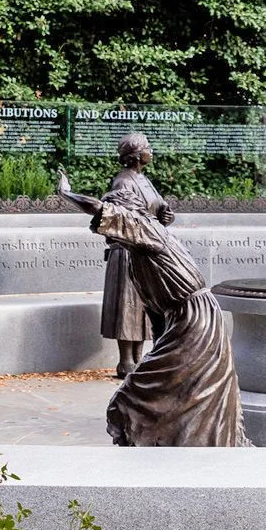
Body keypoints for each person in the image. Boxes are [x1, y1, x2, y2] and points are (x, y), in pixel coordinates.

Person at [62, 173, 246, 447]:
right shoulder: (143, 243)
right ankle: (181, 445)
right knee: (188, 390)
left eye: (109, 224)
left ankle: (183, 447)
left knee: (147, 393)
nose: (105, 231)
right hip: (191, 316)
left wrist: (67, 194)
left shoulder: (143, 228)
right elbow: (157, 305)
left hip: (195, 319)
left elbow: (98, 208)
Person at [98, 132, 172, 377]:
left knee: (143, 305)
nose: (152, 151)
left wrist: (165, 217)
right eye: (148, 148)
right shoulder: (123, 182)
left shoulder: (143, 180)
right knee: (127, 305)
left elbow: (156, 210)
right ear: (138, 155)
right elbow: (121, 218)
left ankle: (139, 359)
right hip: (129, 251)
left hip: (145, 250)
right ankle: (126, 361)